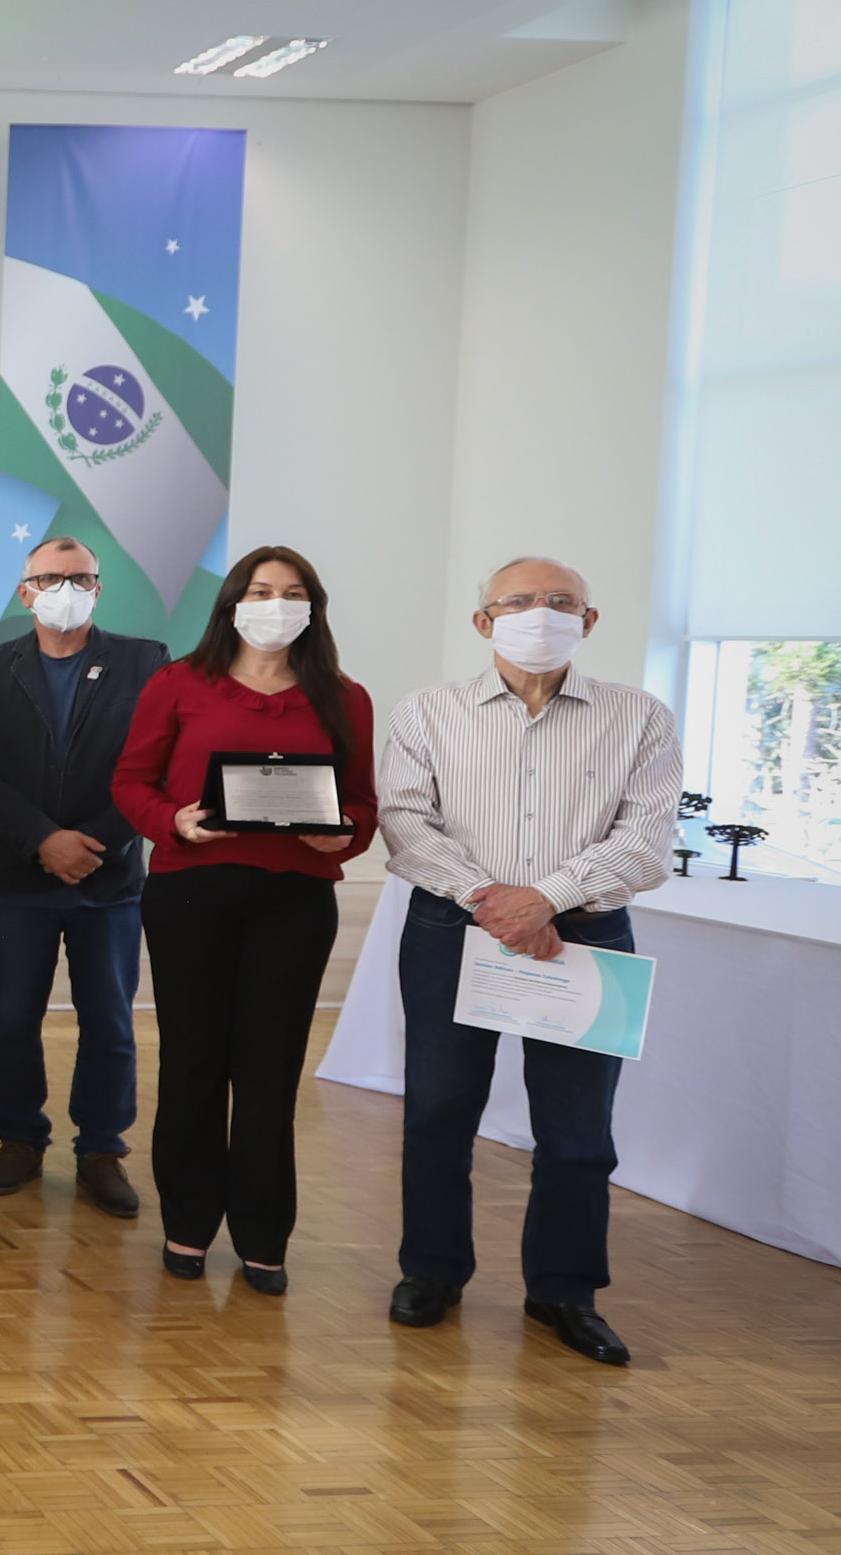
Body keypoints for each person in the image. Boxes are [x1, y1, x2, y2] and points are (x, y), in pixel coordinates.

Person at [378, 557, 678, 1366]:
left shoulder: (640, 717)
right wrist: (495, 901)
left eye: (560, 603)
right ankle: (432, 1272)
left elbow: (645, 842)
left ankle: (564, 1292)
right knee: (438, 1113)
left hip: (589, 935)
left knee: (580, 1134)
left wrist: (545, 897)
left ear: (589, 621)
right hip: (452, 930)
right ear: (483, 623)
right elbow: (406, 826)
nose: (538, 614)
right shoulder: (426, 713)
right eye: (517, 602)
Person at [112, 545, 375, 1294]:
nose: (276, 603)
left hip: (294, 901)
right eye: (261, 590)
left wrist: (345, 832)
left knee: (270, 1073)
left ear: (313, 608)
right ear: (232, 601)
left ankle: (265, 1236)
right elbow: (130, 782)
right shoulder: (177, 684)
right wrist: (176, 821)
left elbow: (361, 802)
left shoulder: (344, 697)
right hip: (190, 892)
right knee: (193, 1064)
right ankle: (187, 1225)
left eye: (293, 592)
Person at [0, 537, 165, 1218]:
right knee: (13, 1016)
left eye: (79, 578)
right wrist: (43, 839)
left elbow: (158, 766)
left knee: (110, 1020)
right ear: (24, 592)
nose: (64, 588)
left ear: (99, 589)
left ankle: (102, 1148)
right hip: (19, 877)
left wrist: (92, 842)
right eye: (49, 578)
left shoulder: (146, 663)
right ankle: (18, 1138)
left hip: (110, 878)